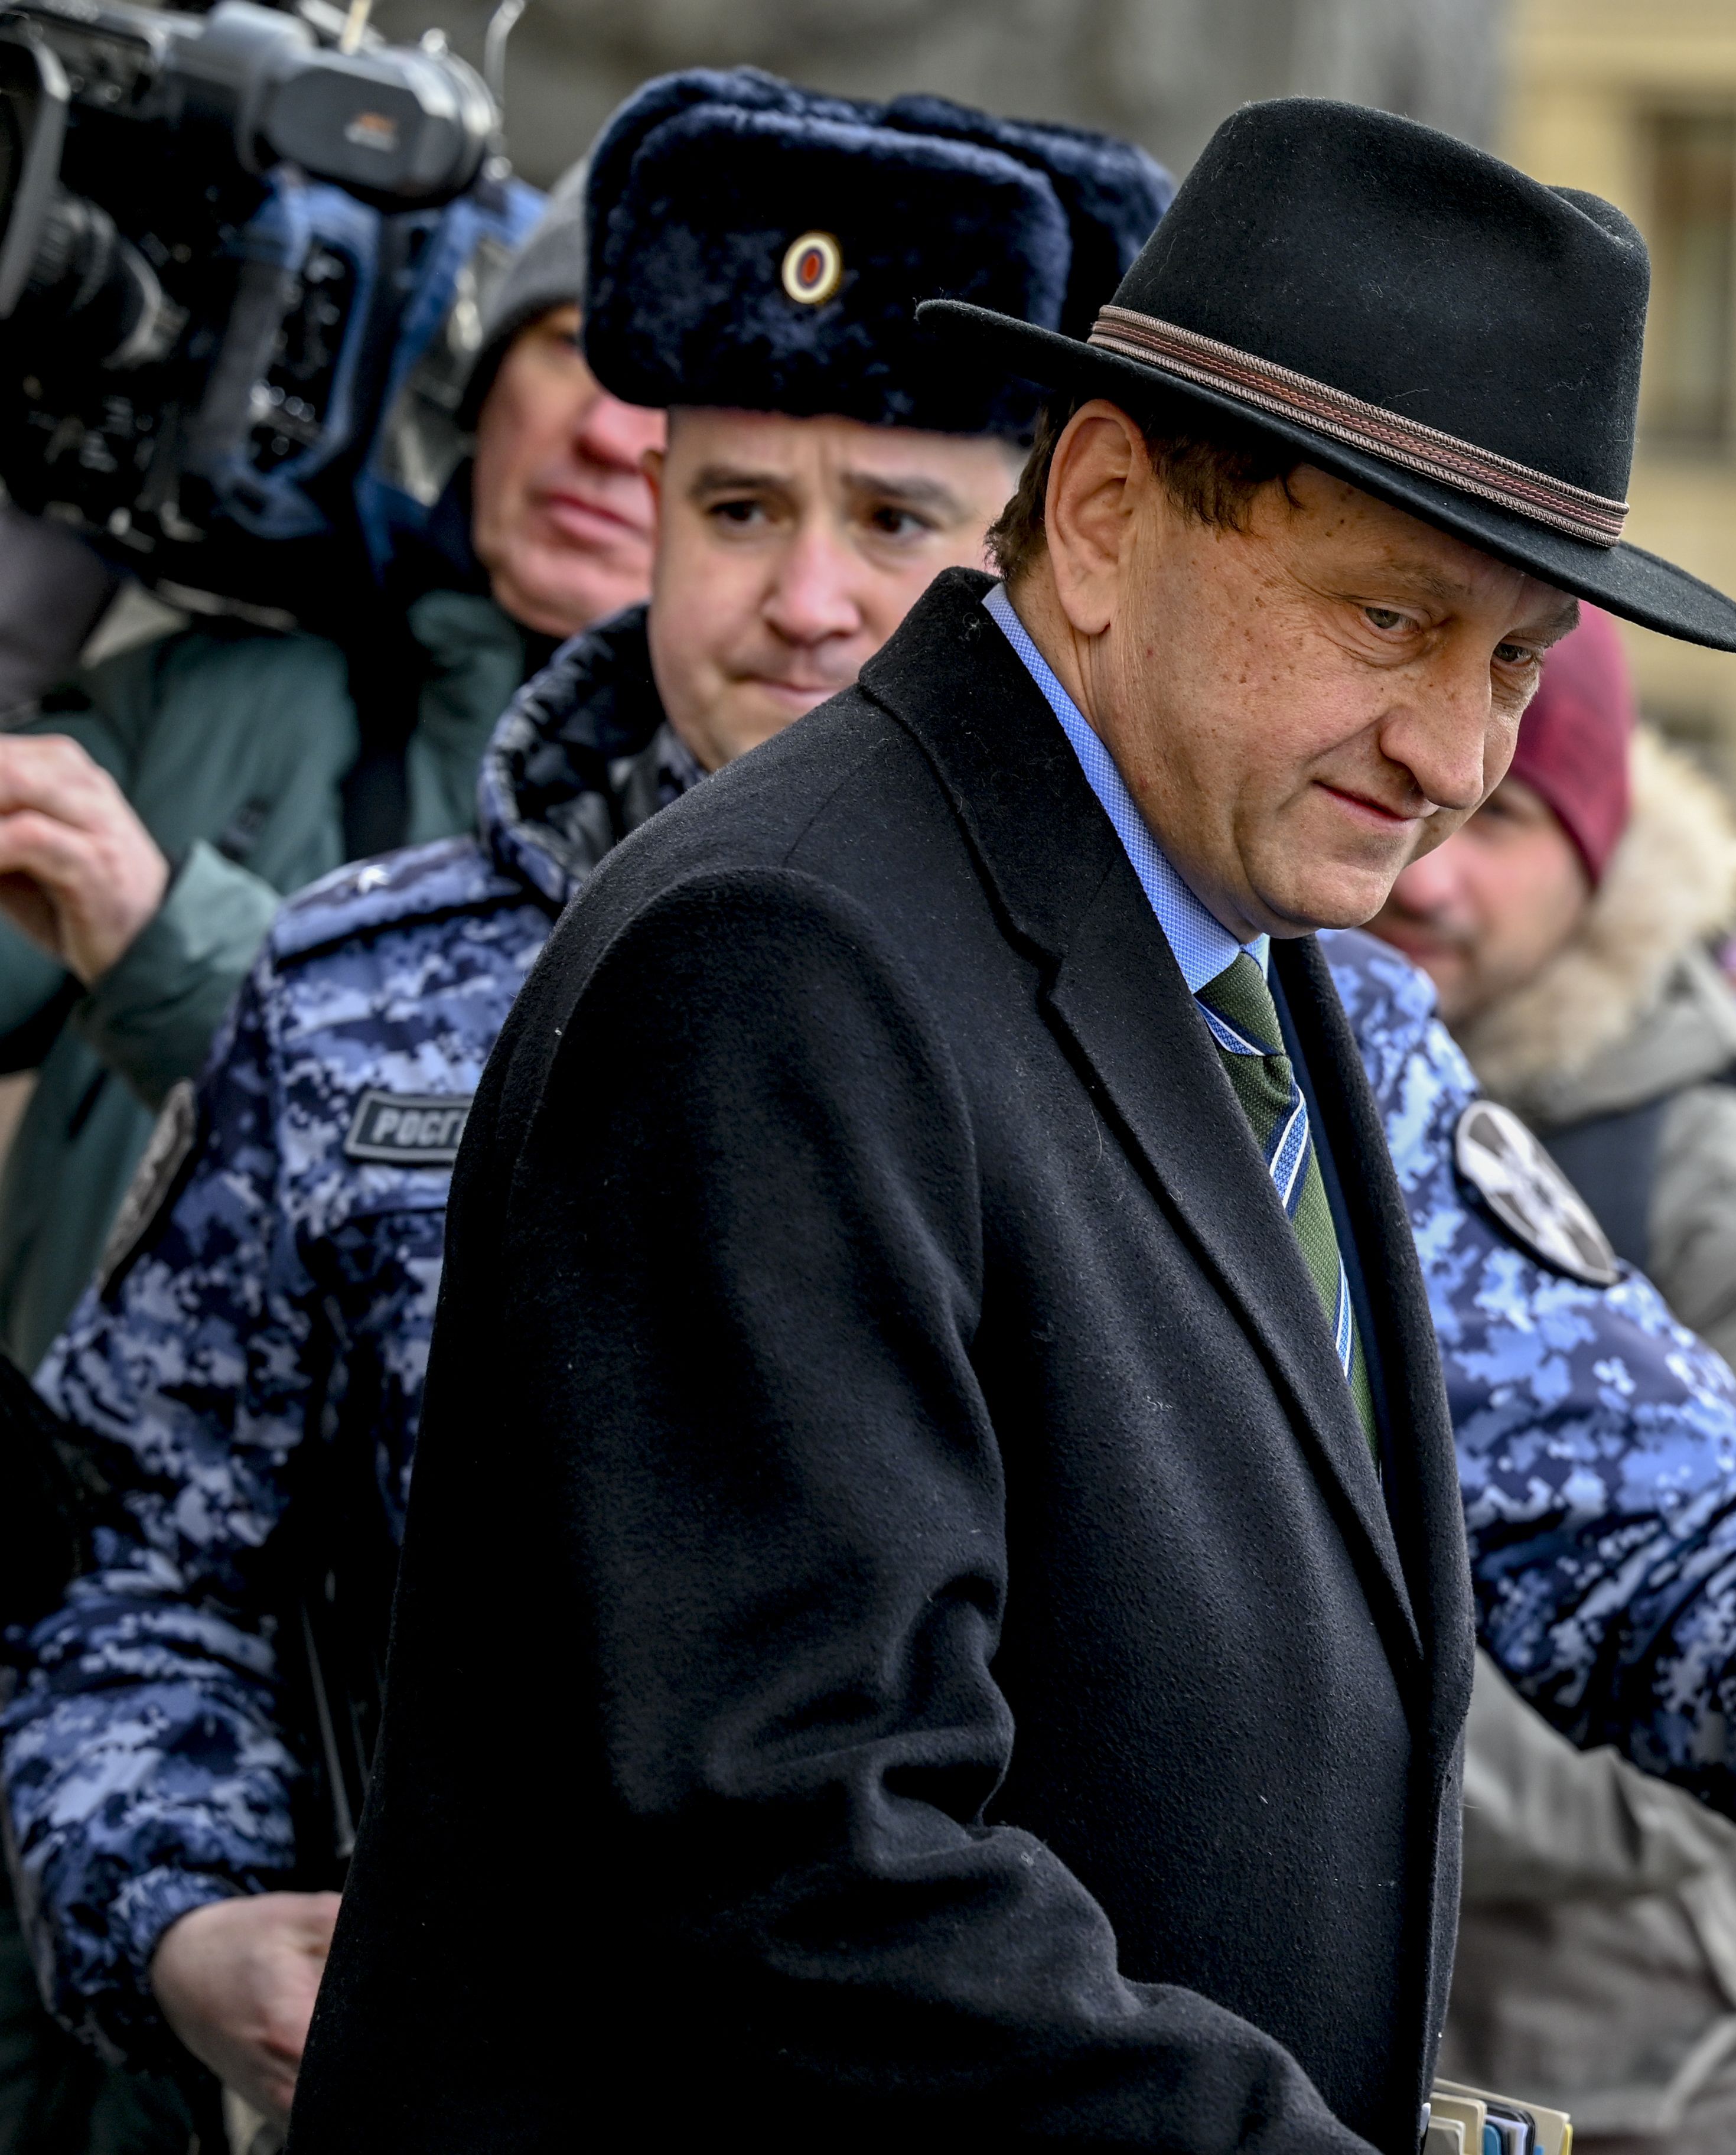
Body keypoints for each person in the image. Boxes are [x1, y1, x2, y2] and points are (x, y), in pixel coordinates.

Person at [285, 100, 1736, 2149]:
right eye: (1389, 619)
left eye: (1515, 659)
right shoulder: (786, 962)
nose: (1457, 752)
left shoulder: (1255, 944)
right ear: (1106, 511)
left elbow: (1617, 1481)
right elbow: (801, 1862)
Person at [0, 76, 1177, 2140]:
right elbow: (133, 1556)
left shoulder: (1228, 1021)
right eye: (739, 510)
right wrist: (179, 1915)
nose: (806, 598)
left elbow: (1602, 1500)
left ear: (1056, 545)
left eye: (898, 522)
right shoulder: (352, 987)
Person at [0, 167, 662, 1372]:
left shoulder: (747, 847)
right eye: (573, 346)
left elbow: (561, 1235)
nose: (609, 435)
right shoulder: (211, 692)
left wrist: (165, 948)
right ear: (481, 386)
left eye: (673, 388)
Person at [1377, 609, 1736, 2155]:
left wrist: (1278, 1745)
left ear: (1605, 855)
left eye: (1506, 821)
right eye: (1416, 805)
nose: (1433, 872)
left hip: (1616, 2090)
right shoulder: (1236, 1078)